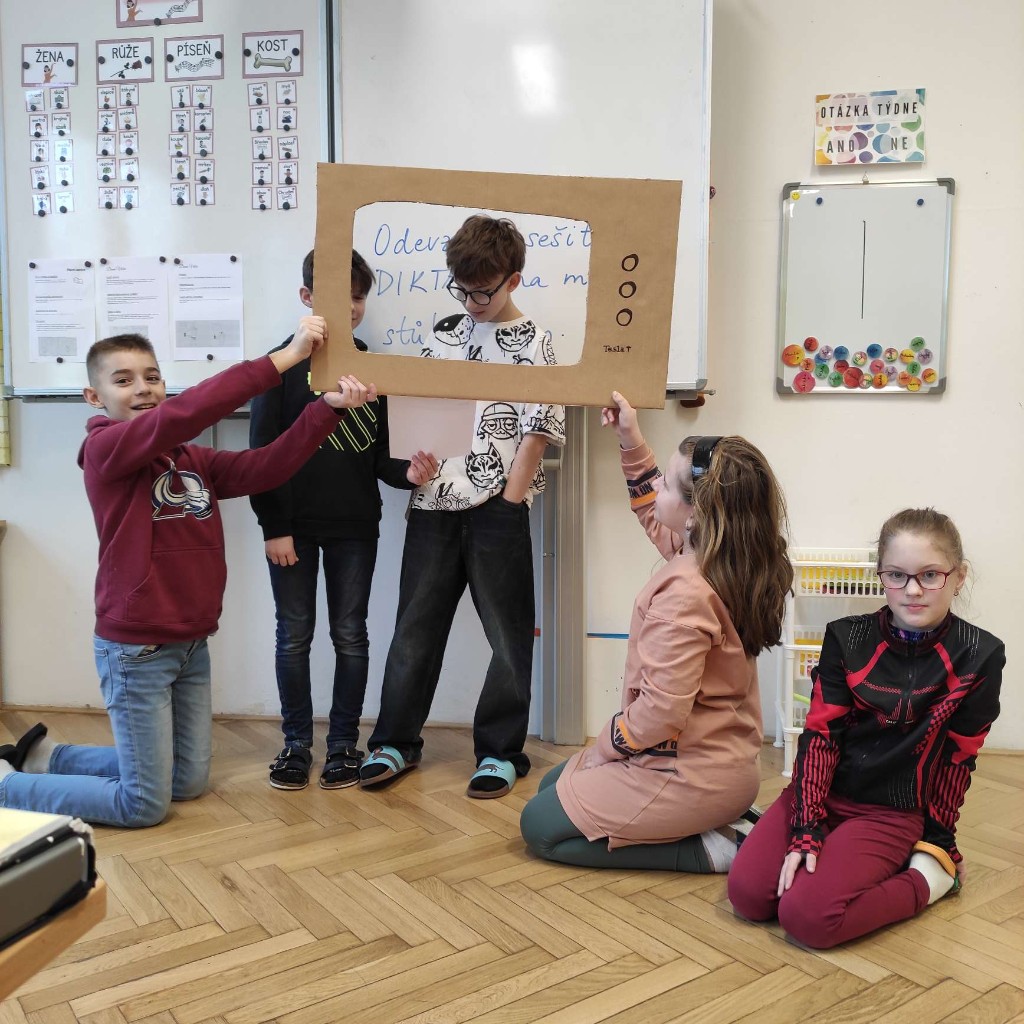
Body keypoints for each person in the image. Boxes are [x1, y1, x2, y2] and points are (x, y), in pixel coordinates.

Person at [0, 320, 376, 828]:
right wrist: (284, 359)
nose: (142, 389)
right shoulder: (104, 451)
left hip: (191, 643)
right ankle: (8, 785)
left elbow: (265, 467)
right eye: (123, 380)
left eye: (152, 377)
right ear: (94, 397)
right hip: (136, 650)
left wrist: (325, 409)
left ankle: (49, 758)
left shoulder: (190, 459)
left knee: (188, 781)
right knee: (142, 805)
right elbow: (187, 412)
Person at [520, 393, 793, 870]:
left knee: (539, 826)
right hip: (718, 762)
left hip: (686, 772)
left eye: (667, 483)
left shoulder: (686, 593)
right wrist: (630, 439)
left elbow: (660, 714)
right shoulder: (725, 557)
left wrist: (604, 747)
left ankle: (719, 847)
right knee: (551, 787)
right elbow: (654, 512)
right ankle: (722, 819)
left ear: (696, 513)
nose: (658, 489)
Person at [728, 508, 1005, 948]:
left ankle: (927, 883)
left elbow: (959, 758)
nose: (912, 590)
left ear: (959, 576)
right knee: (748, 897)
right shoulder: (846, 637)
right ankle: (831, 848)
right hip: (821, 793)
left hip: (891, 813)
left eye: (930, 575)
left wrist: (939, 843)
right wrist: (806, 828)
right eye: (897, 575)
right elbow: (820, 738)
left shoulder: (980, 654)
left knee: (806, 917)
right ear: (881, 576)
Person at [359, 214, 566, 799]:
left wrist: (511, 499)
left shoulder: (539, 344)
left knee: (507, 635)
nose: (472, 303)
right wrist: (416, 465)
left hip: (498, 507)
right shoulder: (443, 335)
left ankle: (500, 751)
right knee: (414, 629)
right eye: (462, 290)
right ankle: (395, 742)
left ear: (513, 280)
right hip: (433, 504)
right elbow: (420, 416)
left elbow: (539, 432)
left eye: (482, 292)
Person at [250, 249, 437, 791]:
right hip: (291, 528)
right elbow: (260, 457)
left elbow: (381, 459)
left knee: (350, 635)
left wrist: (410, 474)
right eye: (339, 296)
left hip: (355, 526)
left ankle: (342, 745)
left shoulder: (373, 369)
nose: (352, 307)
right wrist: (274, 527)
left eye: (359, 297)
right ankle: (295, 745)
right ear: (306, 297)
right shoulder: (278, 368)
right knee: (294, 636)